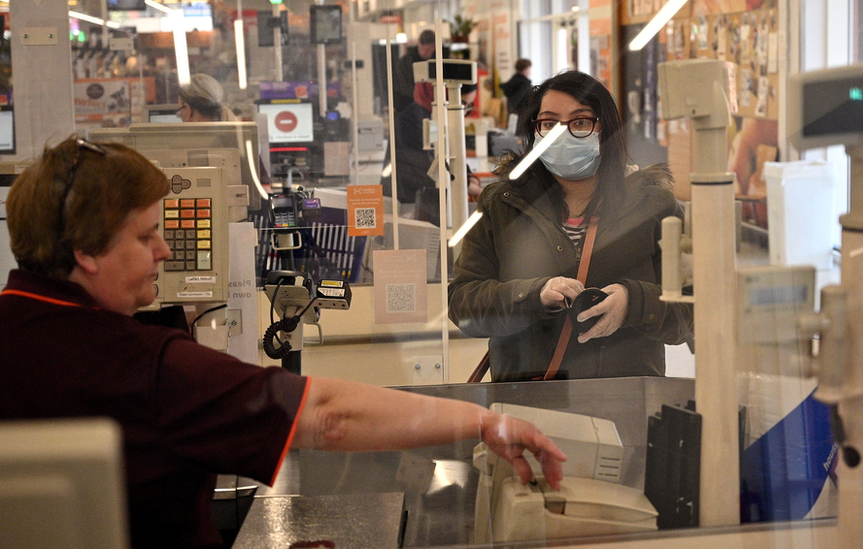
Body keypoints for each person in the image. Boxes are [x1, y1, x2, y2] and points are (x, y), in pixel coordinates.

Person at [0, 136, 566, 548]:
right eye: (147, 235)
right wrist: (484, 422)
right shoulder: (145, 367)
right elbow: (328, 416)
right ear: (87, 252)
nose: (166, 252)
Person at [448, 71, 695, 382]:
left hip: (625, 397)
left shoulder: (654, 207)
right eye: (549, 123)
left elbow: (695, 311)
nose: (560, 136)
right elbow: (462, 305)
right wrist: (532, 295)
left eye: (580, 122)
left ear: (606, 129)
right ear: (533, 131)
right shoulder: (501, 203)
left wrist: (632, 304)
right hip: (527, 399)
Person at [381, 81, 480, 208]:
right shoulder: (416, 119)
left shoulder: (436, 116)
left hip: (423, 197)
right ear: (447, 94)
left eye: (468, 106)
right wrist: (468, 186)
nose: (464, 112)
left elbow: (449, 153)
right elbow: (431, 166)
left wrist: (469, 176)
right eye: (462, 104)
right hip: (407, 200)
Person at [393, 29, 437, 113]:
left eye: (427, 49)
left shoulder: (438, 62)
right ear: (419, 44)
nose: (424, 52)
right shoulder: (406, 62)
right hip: (407, 106)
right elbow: (403, 87)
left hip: (430, 107)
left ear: (434, 47)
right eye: (422, 48)